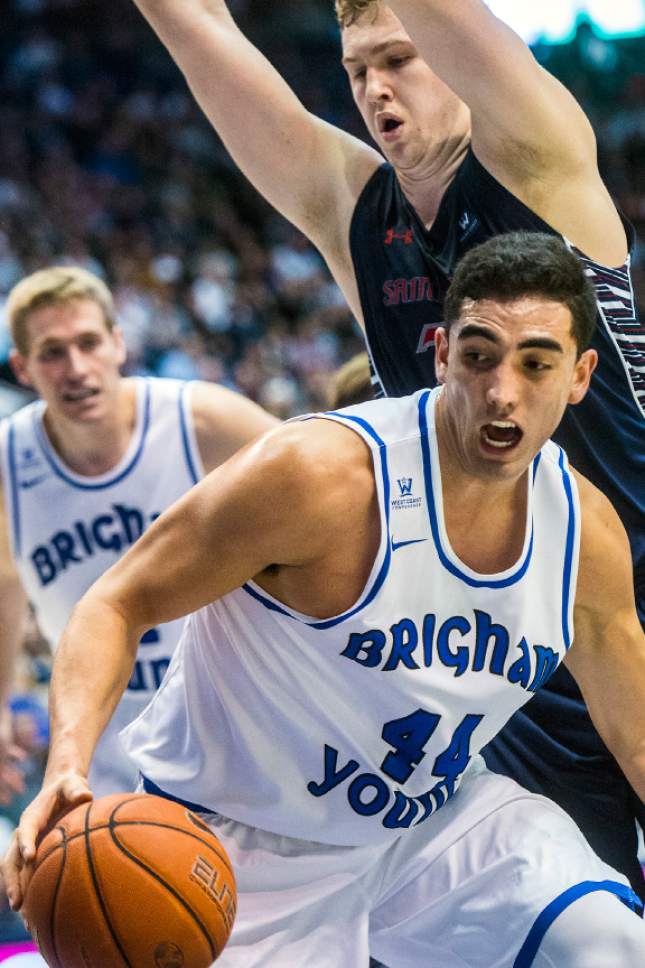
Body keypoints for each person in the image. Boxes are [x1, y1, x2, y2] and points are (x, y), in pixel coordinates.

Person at [5, 233, 645, 967]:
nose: (502, 391)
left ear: (579, 375)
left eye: (535, 364)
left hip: (430, 829)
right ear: (439, 354)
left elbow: (634, 733)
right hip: (231, 844)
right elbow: (116, 602)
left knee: (608, 946)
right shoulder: (317, 475)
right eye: (477, 357)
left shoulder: (582, 533)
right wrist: (67, 765)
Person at [125, 0, 645, 894]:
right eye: (357, 68)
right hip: (513, 659)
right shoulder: (357, 217)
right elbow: (198, 32)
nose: (374, 88)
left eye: (398, 58)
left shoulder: (538, 158)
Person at [0, 265, 277, 799]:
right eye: (52, 353)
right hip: (105, 740)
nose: (76, 368)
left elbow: (328, 486)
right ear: (23, 368)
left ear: (118, 343)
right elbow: (3, 581)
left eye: (88, 343)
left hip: (234, 716)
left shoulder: (200, 420)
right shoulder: (8, 461)